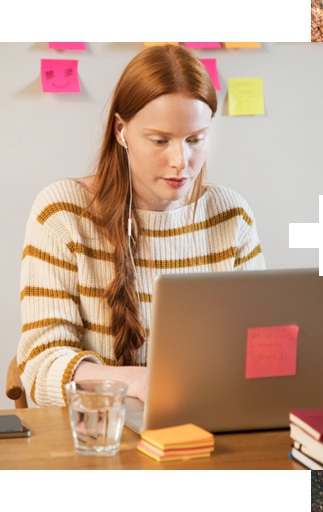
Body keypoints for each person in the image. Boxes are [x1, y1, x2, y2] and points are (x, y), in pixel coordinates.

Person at [17, 45, 266, 407]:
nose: (181, 161)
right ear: (121, 131)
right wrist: (133, 381)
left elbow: (259, 350)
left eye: (195, 139)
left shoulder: (232, 215)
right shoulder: (62, 213)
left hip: (209, 434)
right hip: (101, 443)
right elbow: (40, 366)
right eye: (160, 140)